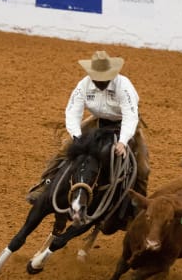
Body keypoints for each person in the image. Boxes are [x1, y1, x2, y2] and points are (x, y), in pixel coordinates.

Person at [27, 50, 150, 205]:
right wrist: (77, 137)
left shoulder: (124, 86)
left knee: (143, 168)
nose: (100, 82)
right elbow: (73, 111)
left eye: (104, 79)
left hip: (124, 122)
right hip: (98, 121)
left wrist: (123, 141)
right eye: (97, 79)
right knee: (66, 149)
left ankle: (138, 205)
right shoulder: (84, 85)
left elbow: (130, 116)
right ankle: (45, 185)